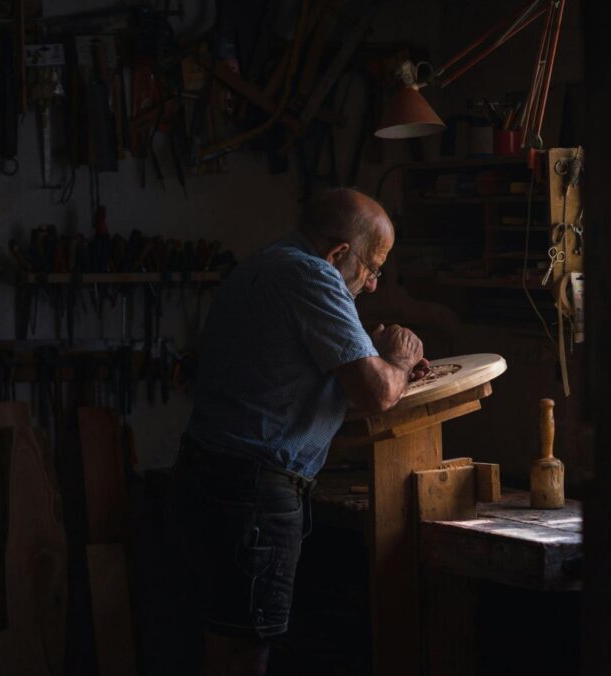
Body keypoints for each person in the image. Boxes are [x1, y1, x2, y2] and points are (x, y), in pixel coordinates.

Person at [173, 188, 428, 676]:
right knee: (243, 653)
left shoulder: (261, 266)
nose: (373, 285)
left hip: (209, 477)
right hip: (252, 493)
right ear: (337, 254)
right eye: (373, 268)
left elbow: (294, 370)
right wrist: (398, 358)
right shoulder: (312, 274)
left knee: (215, 643)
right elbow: (377, 394)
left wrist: (363, 350)